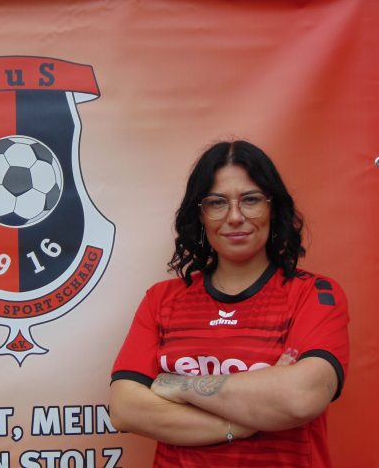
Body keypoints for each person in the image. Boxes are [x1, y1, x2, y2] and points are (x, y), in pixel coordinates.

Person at [110, 140, 349, 468]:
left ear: (273, 207)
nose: (235, 217)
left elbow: (301, 398)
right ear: (200, 215)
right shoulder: (161, 299)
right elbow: (126, 409)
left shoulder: (314, 294)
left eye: (251, 199)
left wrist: (177, 384)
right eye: (217, 202)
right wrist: (243, 423)